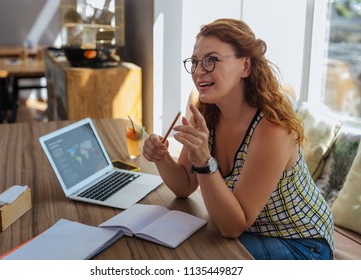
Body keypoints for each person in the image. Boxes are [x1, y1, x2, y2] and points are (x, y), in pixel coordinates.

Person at [143, 18, 334, 260]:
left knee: (194, 257)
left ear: (245, 66)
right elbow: (184, 185)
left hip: (300, 242)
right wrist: (161, 158)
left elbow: (233, 226)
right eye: (195, 62)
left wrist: (204, 162)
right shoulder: (206, 112)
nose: (199, 70)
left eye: (212, 59)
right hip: (249, 231)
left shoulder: (273, 129)